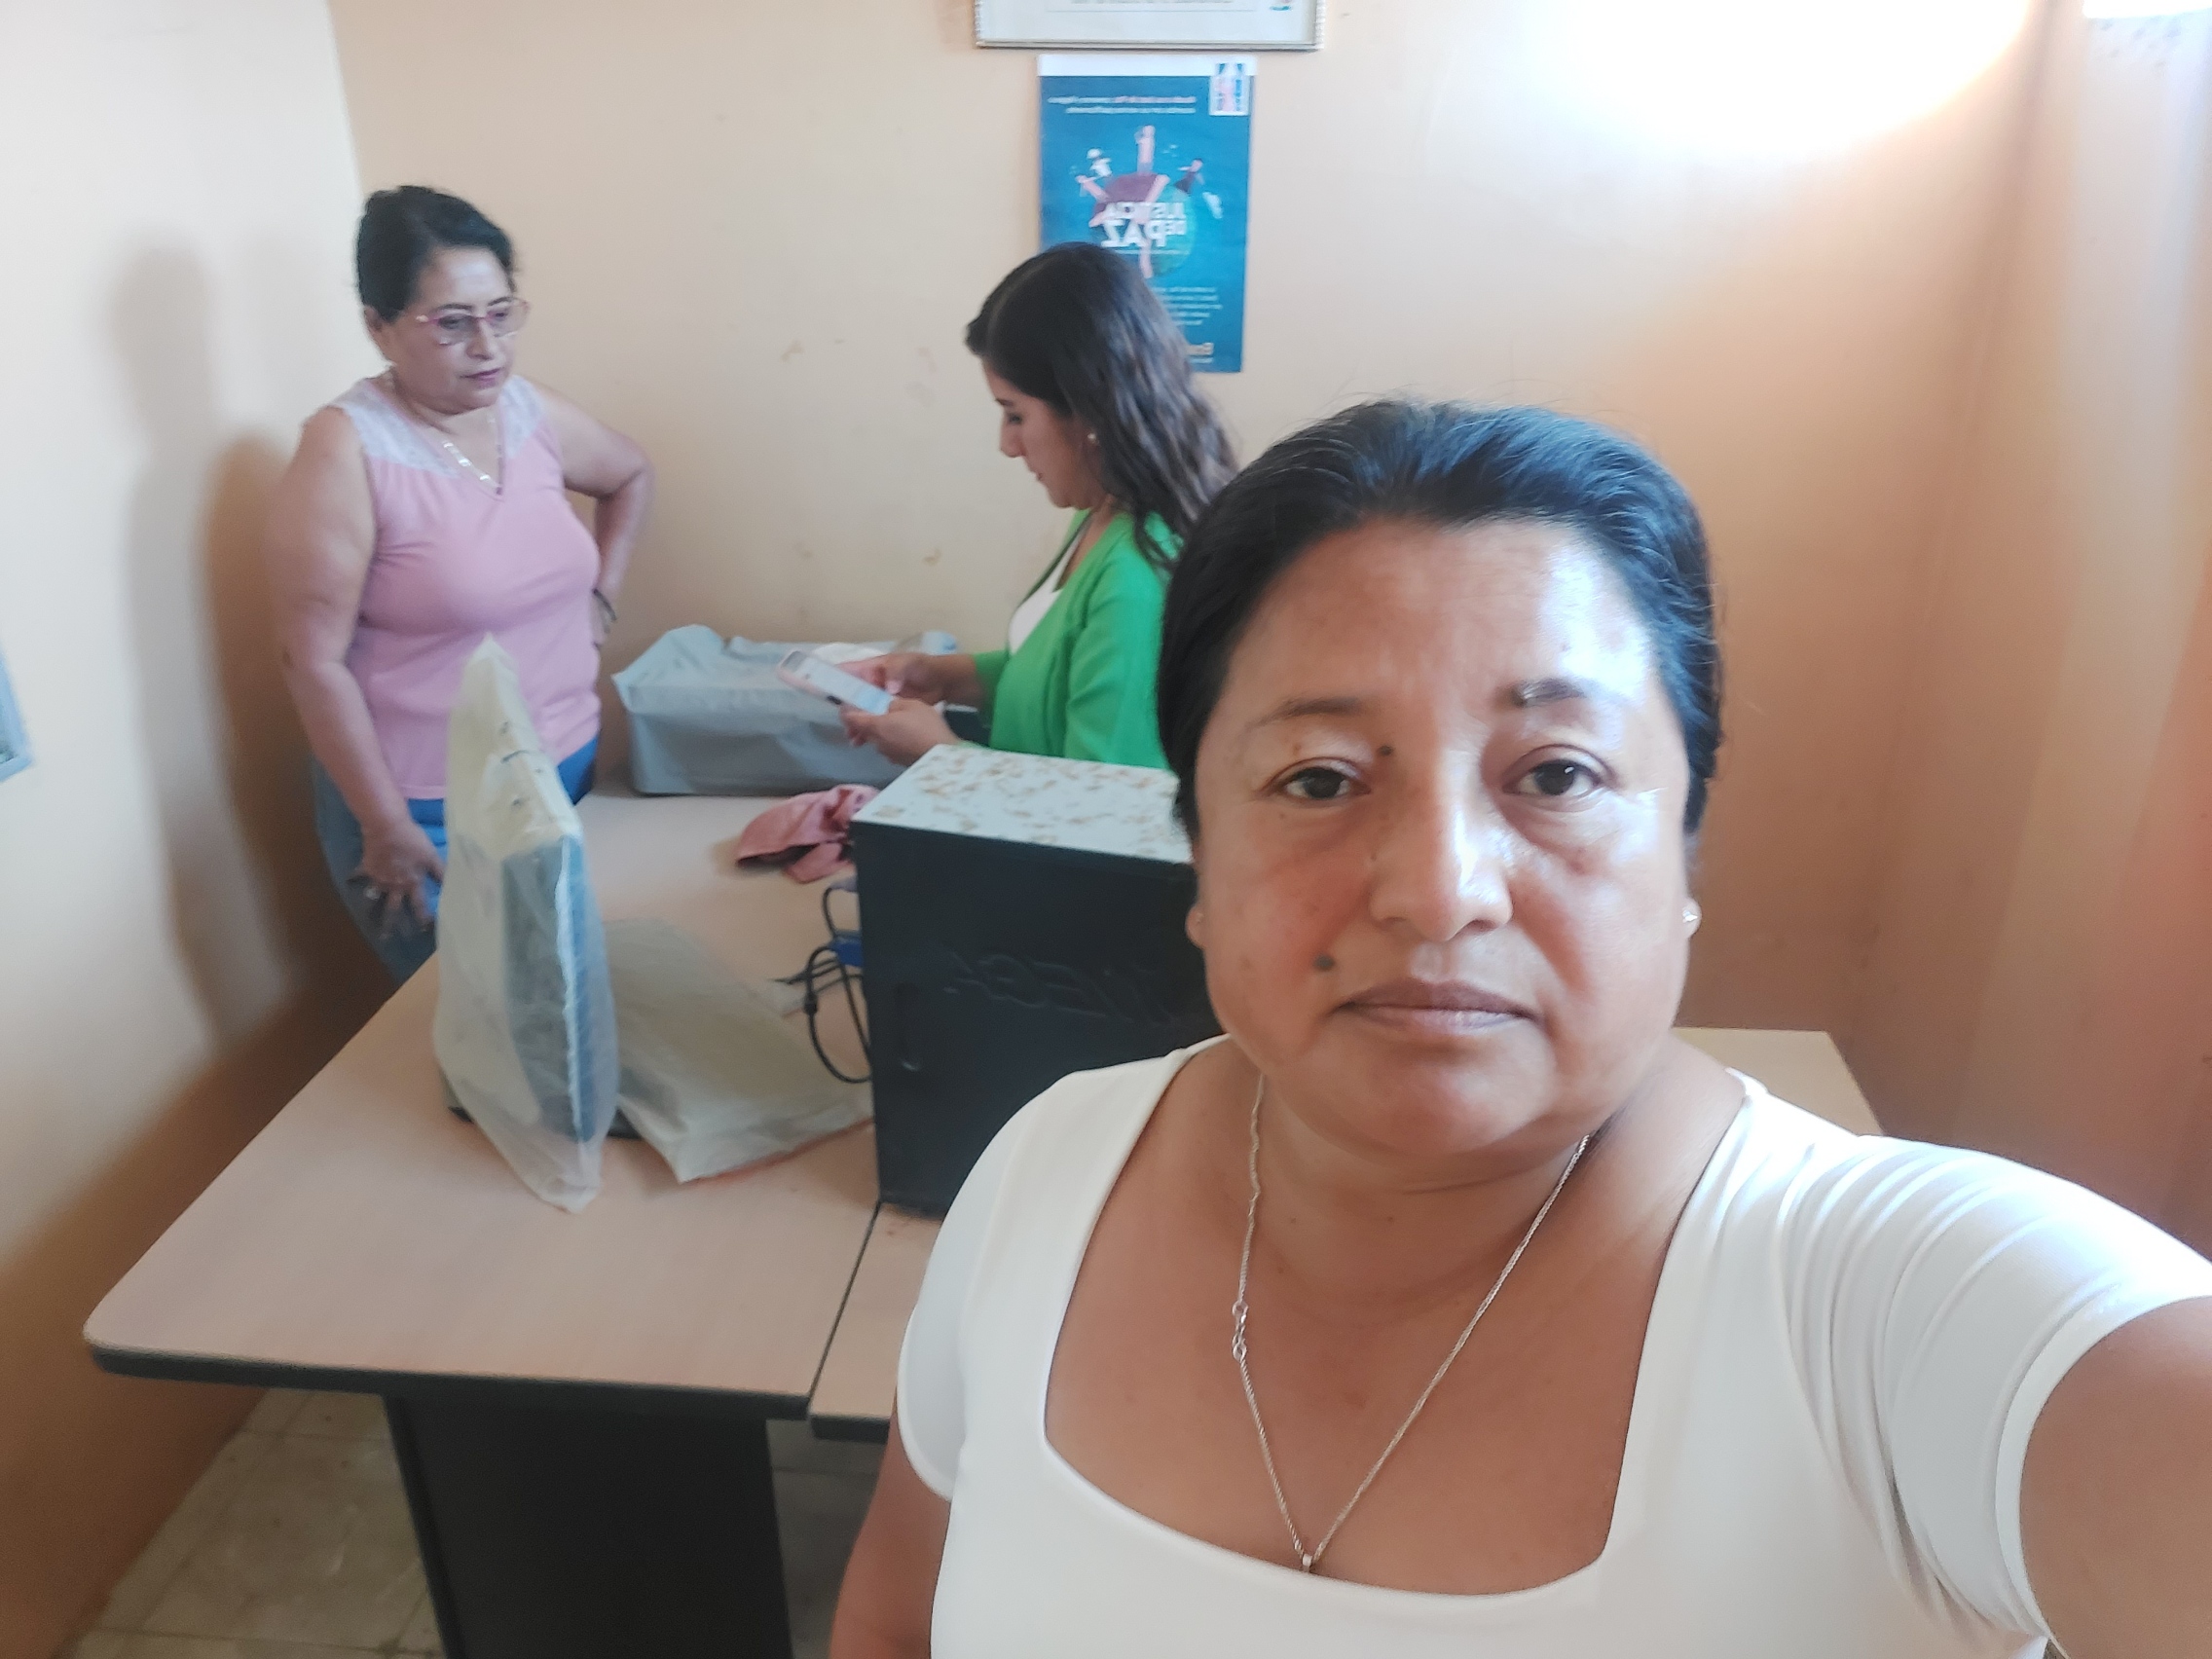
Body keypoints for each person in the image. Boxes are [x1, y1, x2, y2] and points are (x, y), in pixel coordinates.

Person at [831, 401, 2212, 1658]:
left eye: (1555, 774)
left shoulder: (1888, 1308)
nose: (1440, 890)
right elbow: (894, 1618)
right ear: (1199, 857)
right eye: (1317, 779)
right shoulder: (1049, 1171)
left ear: (1685, 854)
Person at [268, 186, 652, 981]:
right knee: (478, 1025)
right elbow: (312, 661)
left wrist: (601, 598)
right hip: (427, 814)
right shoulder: (346, 451)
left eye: (501, 314)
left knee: (569, 1000)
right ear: (378, 326)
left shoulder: (528, 413)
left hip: (562, 771)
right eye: (451, 323)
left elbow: (630, 474)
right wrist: (382, 825)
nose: (487, 346)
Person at [838, 242, 1235, 770]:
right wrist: (943, 676)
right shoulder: (1101, 513)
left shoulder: (1136, 580)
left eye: (1016, 415)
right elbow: (1053, 681)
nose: (1007, 444)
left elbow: (1104, 803)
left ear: (1088, 412)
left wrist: (941, 756)